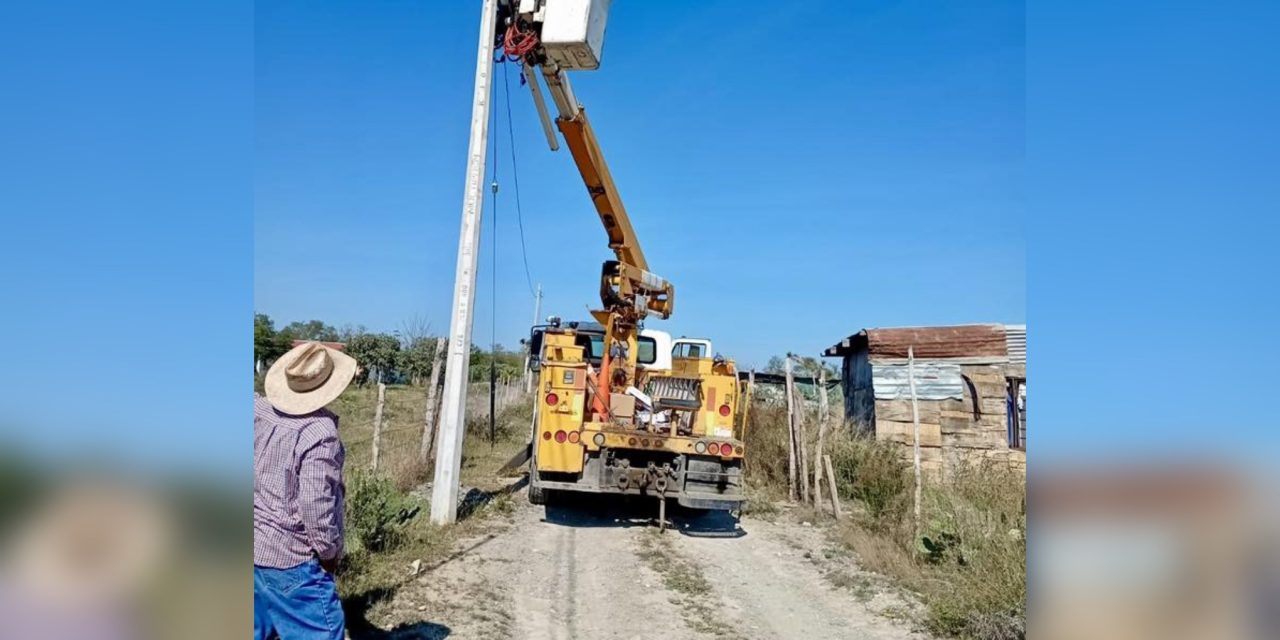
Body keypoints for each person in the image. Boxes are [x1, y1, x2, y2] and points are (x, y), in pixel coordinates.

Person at [254, 341, 357, 640]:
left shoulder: (258, 410)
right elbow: (315, 506)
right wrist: (328, 551)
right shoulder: (320, 433)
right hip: (292, 557)